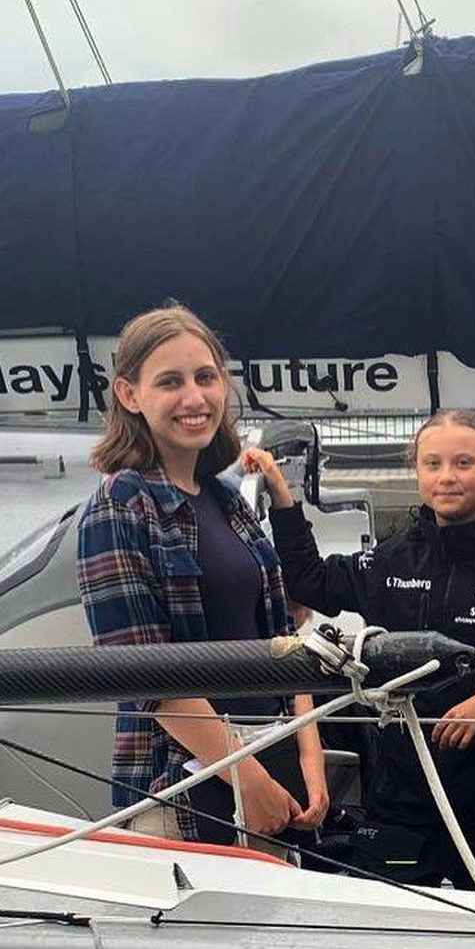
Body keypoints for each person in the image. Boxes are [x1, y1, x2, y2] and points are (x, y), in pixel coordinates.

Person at [244, 409, 475, 895]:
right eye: (432, 464)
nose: (447, 477)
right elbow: (309, 581)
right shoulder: (393, 555)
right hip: (403, 801)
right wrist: (281, 494)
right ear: (416, 470)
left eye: (463, 463)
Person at [76, 304, 328, 853]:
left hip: (269, 768)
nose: (195, 398)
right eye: (170, 382)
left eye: (206, 377)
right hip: (183, 790)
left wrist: (311, 756)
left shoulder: (228, 501)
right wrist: (248, 779)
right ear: (128, 394)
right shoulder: (122, 504)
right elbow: (144, 675)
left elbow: (283, 638)